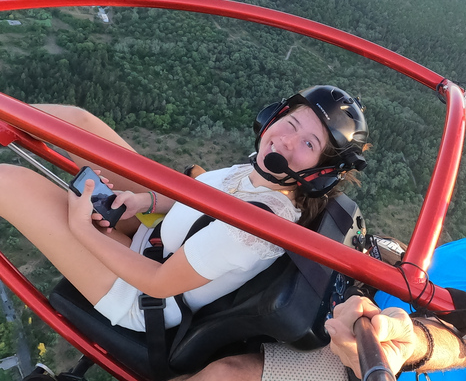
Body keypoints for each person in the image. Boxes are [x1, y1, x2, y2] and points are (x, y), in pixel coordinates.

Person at [174, 42, 466, 381]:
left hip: (370, 362)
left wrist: (402, 342)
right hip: (368, 300)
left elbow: (465, 347)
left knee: (227, 374)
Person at [0, 85, 368, 333]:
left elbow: (158, 285)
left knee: (9, 183)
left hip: (142, 295)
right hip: (155, 238)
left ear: (320, 170)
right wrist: (148, 201)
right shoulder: (259, 170)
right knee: (76, 124)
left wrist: (81, 228)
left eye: (308, 142)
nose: (286, 140)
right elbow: (200, 196)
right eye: (290, 123)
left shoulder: (257, 225)